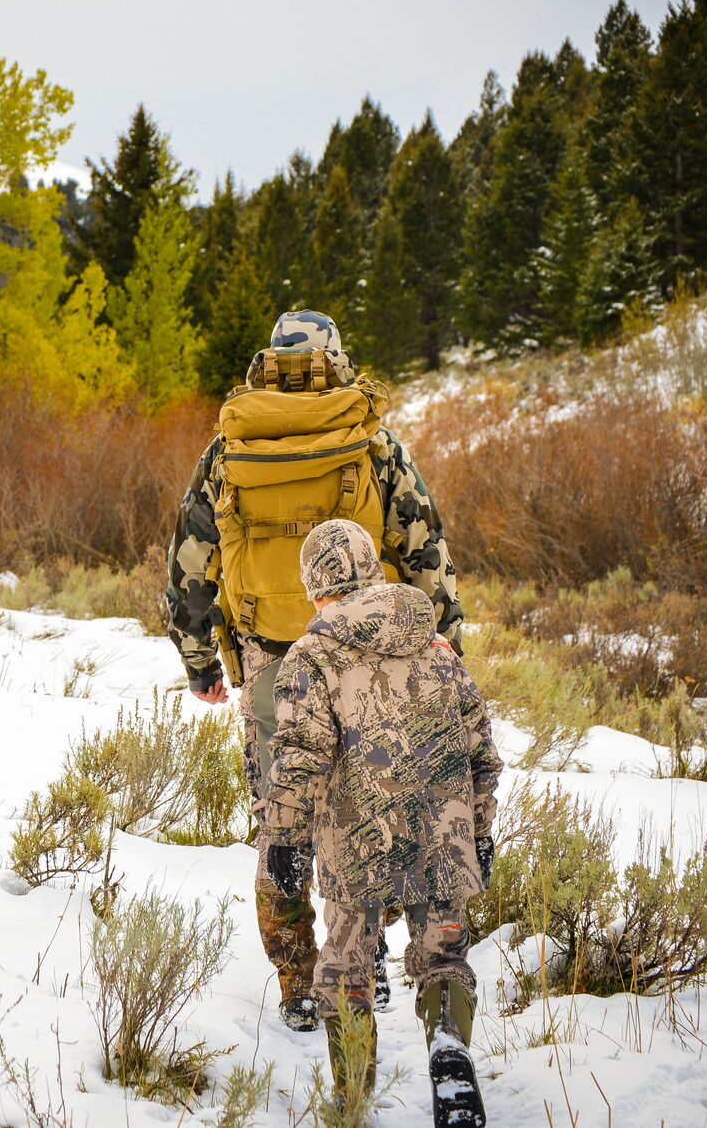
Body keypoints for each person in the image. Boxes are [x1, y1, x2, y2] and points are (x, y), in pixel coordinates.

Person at [163, 309, 463, 1031]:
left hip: (269, 656)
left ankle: (300, 982)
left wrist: (200, 658)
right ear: (335, 357)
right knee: (374, 804)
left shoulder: (231, 444)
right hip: (370, 658)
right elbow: (423, 547)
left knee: (282, 818)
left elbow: (191, 557)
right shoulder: (371, 438)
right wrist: (443, 641)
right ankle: (363, 964)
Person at [261, 519, 500, 1122]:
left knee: (345, 967)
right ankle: (449, 1055)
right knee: (442, 959)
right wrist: (479, 830)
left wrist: (284, 838)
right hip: (444, 837)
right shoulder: (435, 642)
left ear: (315, 583)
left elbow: (300, 756)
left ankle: (353, 1099)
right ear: (371, 568)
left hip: (355, 843)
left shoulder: (310, 657)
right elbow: (480, 753)